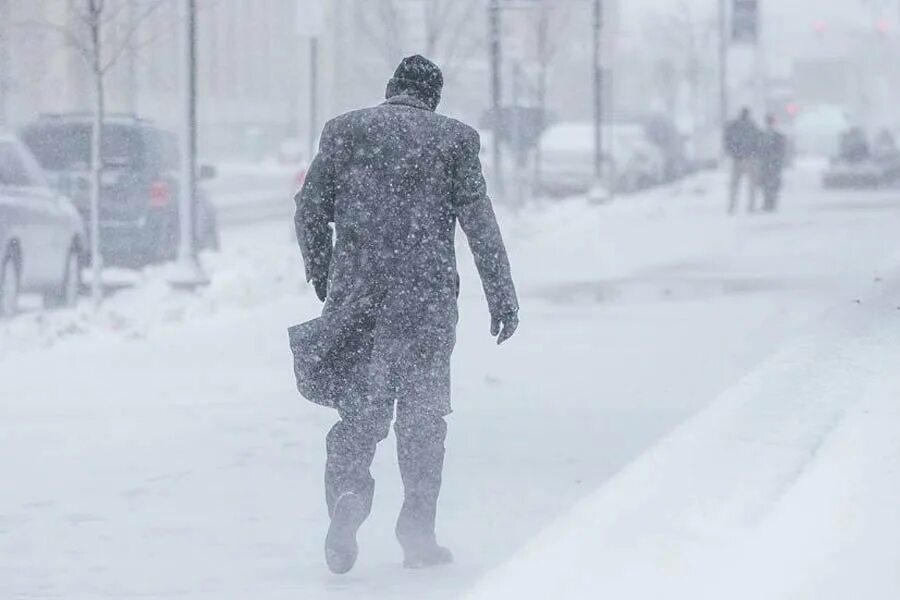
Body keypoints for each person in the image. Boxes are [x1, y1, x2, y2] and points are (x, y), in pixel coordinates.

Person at [290, 55, 519, 575]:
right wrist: (501, 294)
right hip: (426, 304)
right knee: (422, 420)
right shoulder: (454, 140)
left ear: (390, 87)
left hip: (360, 301)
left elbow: (309, 207)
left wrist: (324, 271)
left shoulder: (345, 130)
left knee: (359, 416)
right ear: (433, 98)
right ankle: (417, 534)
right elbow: (479, 222)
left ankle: (348, 496)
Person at [724, 107, 762, 214]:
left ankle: (732, 206)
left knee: (735, 184)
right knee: (751, 184)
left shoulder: (733, 126)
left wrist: (732, 152)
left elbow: (727, 141)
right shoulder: (751, 126)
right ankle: (751, 206)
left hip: (738, 159)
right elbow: (758, 141)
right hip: (749, 158)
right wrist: (755, 153)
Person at [759, 114, 788, 212]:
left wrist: (778, 159)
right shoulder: (762, 136)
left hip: (773, 163)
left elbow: (782, 151)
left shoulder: (777, 136)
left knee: (773, 183)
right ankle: (768, 202)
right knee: (765, 183)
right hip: (766, 163)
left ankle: (772, 202)